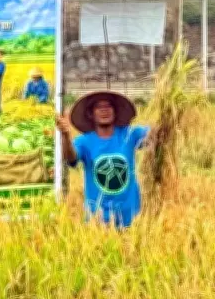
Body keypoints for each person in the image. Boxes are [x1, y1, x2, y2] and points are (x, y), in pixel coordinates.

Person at [56, 91, 149, 228]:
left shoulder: (129, 134)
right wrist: (65, 136)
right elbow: (71, 158)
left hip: (130, 217)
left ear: (115, 111)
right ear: (90, 114)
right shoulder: (84, 141)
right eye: (98, 107)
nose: (104, 110)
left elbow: (156, 134)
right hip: (98, 218)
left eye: (109, 106)